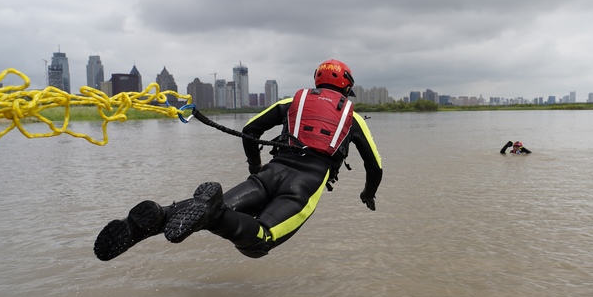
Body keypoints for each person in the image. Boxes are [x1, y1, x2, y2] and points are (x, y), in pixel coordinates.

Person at [94, 59, 383, 261]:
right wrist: (367, 194)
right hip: (302, 187)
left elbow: (250, 131)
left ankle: (143, 224)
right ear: (346, 88)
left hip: (268, 174)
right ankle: (215, 214)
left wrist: (256, 169)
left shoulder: (292, 102)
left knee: (205, 211)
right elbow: (375, 167)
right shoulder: (352, 117)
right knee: (259, 242)